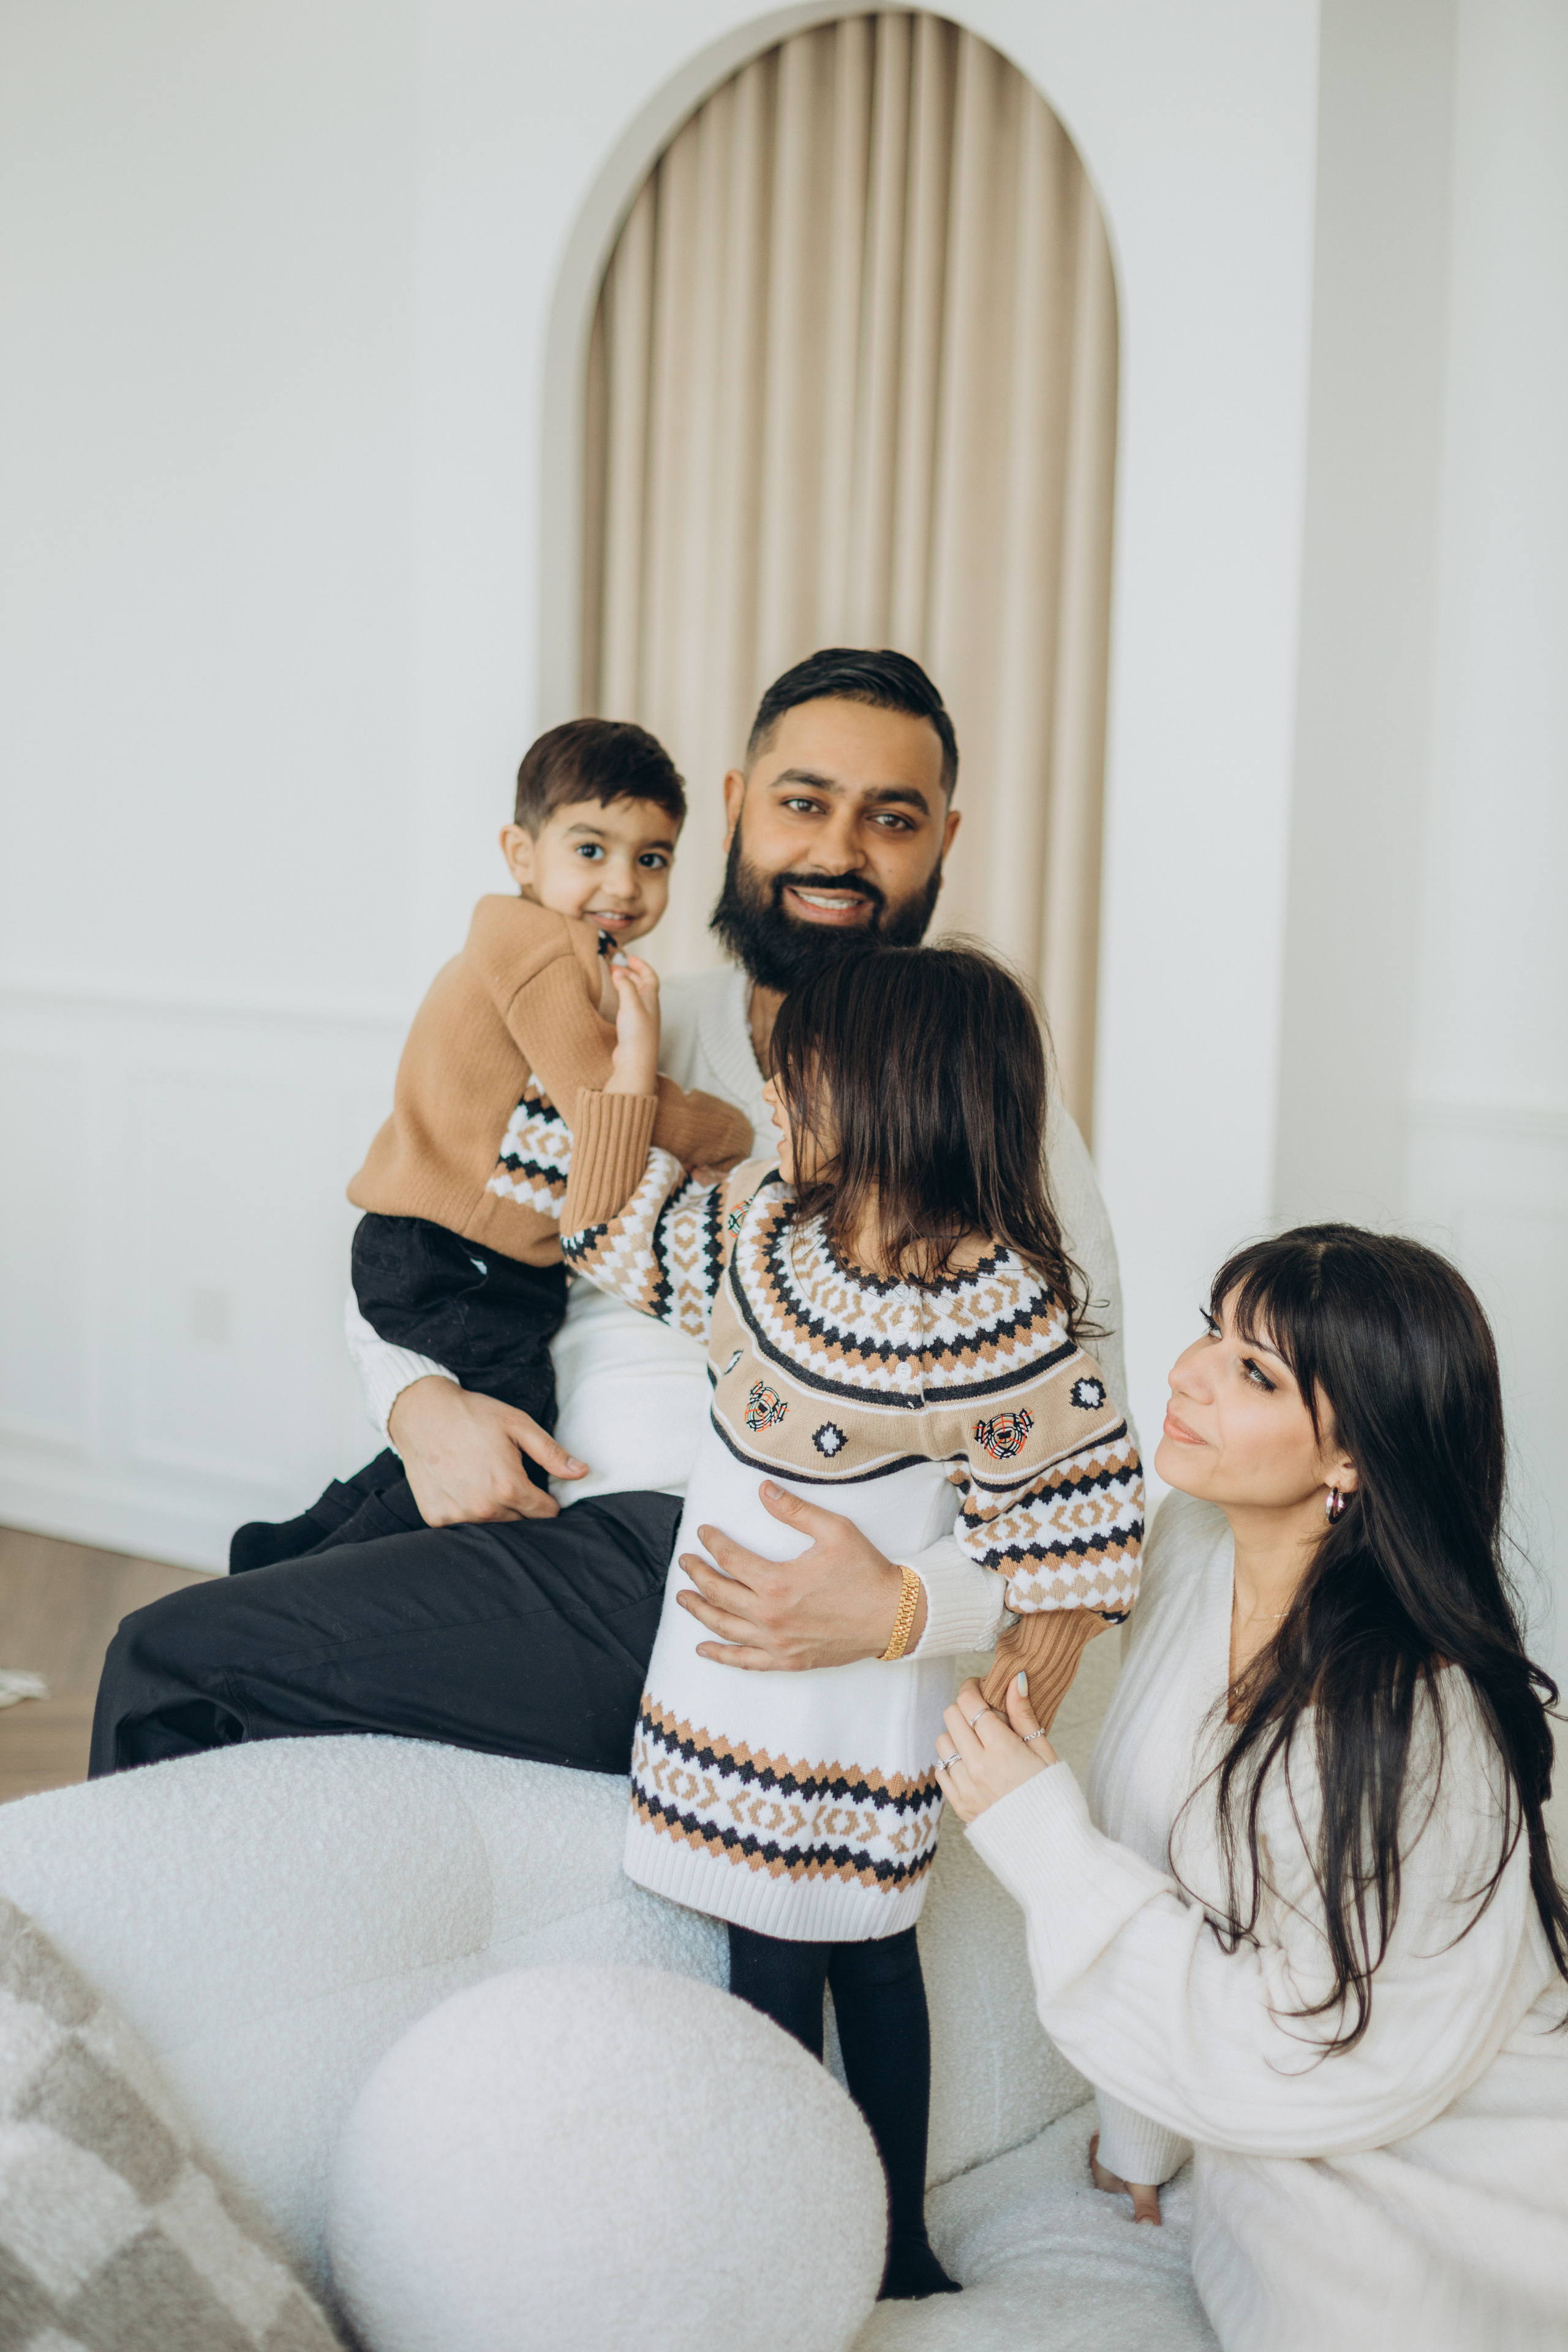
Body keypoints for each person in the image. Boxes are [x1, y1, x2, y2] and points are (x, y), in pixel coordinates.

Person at [89, 648, 1129, 1779]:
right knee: (241, 1617)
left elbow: (1079, 1466)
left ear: (944, 841)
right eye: (804, 804)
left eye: (891, 818)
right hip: (530, 1515)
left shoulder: (990, 1126)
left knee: (172, 1661)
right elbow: (437, 1222)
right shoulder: (624, 1021)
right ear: (735, 813)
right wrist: (421, 1407)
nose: (838, 851)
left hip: (686, 1561)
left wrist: (908, 1608)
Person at [559, 940, 1142, 2298]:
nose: (775, 1109)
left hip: (863, 1718)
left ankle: (885, 2245)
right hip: (720, 1697)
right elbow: (603, 1227)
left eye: (800, 1086)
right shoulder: (767, 1243)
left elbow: (1070, 1554)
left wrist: (937, 1648)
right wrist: (631, 1067)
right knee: (762, 1951)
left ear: (897, 1099)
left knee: (867, 1959)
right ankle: (789, 2224)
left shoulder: (1016, 1325)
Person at [934, 1226, 1568, 2351]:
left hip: (1453, 2169)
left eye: (1254, 1371)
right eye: (1209, 1333)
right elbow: (1154, 1846)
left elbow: (1321, 2058)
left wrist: (1035, 1833)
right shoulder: (1193, 1546)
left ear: (1353, 1460)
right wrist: (1137, 2147)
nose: (1188, 1375)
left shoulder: (1413, 1723)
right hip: (1279, 2140)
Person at [231, 718, 752, 1570]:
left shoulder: (572, 958)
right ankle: (308, 1590)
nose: (622, 881)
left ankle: (287, 1553)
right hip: (452, 1250)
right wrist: (719, 1130)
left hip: (466, 1254)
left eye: (652, 858)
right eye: (592, 849)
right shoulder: (542, 951)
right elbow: (600, 1099)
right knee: (504, 1442)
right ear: (522, 852)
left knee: (472, 1431)